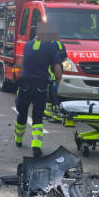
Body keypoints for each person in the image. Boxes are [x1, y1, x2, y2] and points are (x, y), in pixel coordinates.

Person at [14, 22, 63, 157]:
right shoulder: (51, 47)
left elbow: (22, 63)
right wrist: (58, 81)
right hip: (41, 87)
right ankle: (36, 146)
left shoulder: (27, 46)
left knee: (22, 113)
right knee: (37, 117)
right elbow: (57, 68)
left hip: (25, 85)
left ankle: (18, 140)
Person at [44, 39, 67, 121]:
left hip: (51, 73)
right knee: (55, 94)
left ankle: (51, 113)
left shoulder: (49, 45)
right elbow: (65, 59)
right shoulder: (61, 44)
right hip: (59, 73)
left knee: (50, 93)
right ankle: (54, 111)